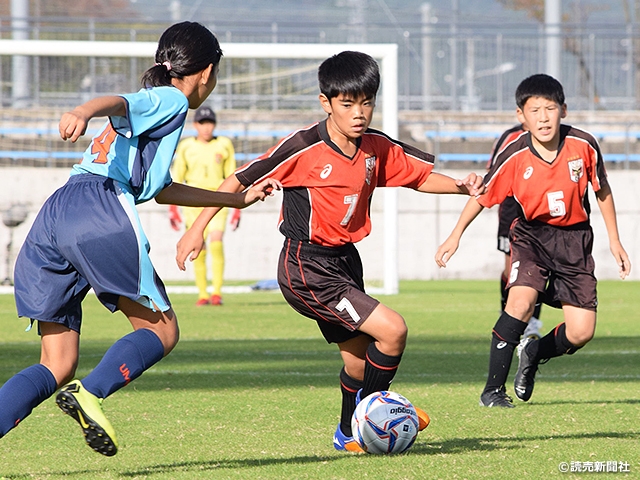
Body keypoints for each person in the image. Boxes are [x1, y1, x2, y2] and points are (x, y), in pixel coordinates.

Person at [175, 51, 485, 452]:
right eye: (347, 104)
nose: (359, 113)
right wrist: (197, 228)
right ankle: (378, 416)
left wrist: (460, 185)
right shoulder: (303, 148)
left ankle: (347, 434)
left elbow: (419, 178)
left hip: (344, 261)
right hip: (307, 265)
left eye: (367, 102)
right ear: (326, 102)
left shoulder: (376, 147)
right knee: (393, 330)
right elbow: (235, 181)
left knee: (358, 365)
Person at [0, 21, 279, 456]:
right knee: (162, 331)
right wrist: (84, 109)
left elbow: (161, 187)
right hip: (100, 208)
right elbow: (120, 103)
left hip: (57, 213)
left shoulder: (160, 115)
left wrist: (236, 200)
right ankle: (89, 393)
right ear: (206, 73)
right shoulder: (171, 98)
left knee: (55, 363)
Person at [435, 74, 631, 408]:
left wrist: (615, 241)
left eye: (550, 108)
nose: (543, 117)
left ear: (563, 110)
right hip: (531, 237)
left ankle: (535, 351)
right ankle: (493, 391)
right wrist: (455, 235)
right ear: (520, 116)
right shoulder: (513, 155)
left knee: (582, 331)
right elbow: (482, 196)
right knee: (520, 303)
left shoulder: (583, 145)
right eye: (534, 109)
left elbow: (602, 190)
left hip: (575, 241)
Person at [170, 105, 239, 306]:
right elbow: (177, 177)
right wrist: (173, 208)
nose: (206, 127)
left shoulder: (224, 144)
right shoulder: (186, 146)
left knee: (216, 242)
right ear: (195, 125)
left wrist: (236, 208)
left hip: (218, 199)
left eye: (209, 123)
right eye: (202, 123)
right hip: (192, 202)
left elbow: (232, 177)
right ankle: (202, 293)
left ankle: (217, 292)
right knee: (197, 247)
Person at [488, 124, 543, 341]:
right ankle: (507, 316)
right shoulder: (510, 137)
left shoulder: (559, 136)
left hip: (542, 205)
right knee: (511, 268)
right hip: (512, 206)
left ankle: (532, 323)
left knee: (538, 268)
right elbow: (493, 172)